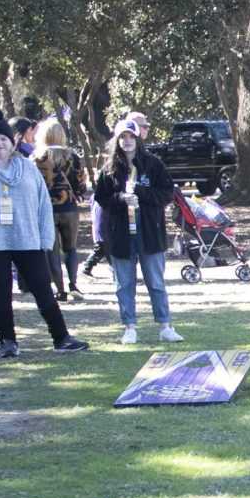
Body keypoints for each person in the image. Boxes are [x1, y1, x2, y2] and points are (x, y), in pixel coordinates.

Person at [0, 126, 87, 358]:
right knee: (1, 291)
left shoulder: (28, 168)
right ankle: (7, 341)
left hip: (28, 239)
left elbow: (43, 205)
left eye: (4, 139)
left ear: (12, 143)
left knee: (42, 288)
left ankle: (61, 338)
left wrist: (46, 237)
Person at [94, 125, 181, 345]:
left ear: (138, 138)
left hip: (150, 234)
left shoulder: (153, 164)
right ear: (117, 140)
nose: (127, 141)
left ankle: (165, 326)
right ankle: (130, 327)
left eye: (130, 136)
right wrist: (121, 198)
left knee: (156, 282)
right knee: (124, 284)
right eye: (122, 137)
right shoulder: (109, 168)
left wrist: (140, 193)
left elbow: (167, 193)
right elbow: (102, 199)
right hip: (121, 236)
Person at [34, 119, 90, 300]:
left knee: (52, 249)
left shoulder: (36, 158)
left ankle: (60, 290)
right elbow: (81, 184)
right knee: (71, 248)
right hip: (70, 208)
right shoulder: (72, 157)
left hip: (46, 209)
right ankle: (73, 283)